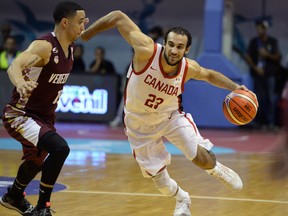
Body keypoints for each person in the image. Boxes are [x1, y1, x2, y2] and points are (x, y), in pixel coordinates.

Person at [81, 10, 258, 215]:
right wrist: (86, 35)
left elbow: (209, 75)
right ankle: (182, 198)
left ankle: (216, 170)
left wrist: (236, 87)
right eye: (171, 44)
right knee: (162, 184)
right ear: (165, 43)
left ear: (187, 49)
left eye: (180, 47)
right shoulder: (146, 50)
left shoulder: (188, 68)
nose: (174, 50)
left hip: (170, 117)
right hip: (138, 124)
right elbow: (118, 17)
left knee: (202, 159)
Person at [0, 1, 87, 216]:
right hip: (20, 114)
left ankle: (14, 196)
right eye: (80, 22)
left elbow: (88, 30)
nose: (83, 27)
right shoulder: (45, 45)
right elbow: (15, 65)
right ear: (65, 23)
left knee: (36, 161)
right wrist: (20, 82)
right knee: (61, 148)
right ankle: (42, 207)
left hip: (44, 116)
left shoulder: (71, 47)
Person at [245, 20, 281, 130]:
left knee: (270, 98)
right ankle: (259, 123)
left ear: (265, 29)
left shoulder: (272, 42)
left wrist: (267, 55)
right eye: (257, 28)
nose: (259, 30)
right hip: (257, 75)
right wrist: (256, 68)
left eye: (261, 28)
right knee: (258, 99)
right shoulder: (254, 42)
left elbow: (277, 57)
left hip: (269, 74)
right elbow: (248, 56)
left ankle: (270, 123)